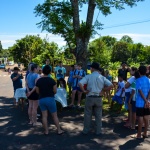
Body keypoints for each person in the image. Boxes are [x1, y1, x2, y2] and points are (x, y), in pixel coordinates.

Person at [78, 62, 113, 135]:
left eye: (91, 68)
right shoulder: (102, 77)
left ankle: (86, 130)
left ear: (93, 68)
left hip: (90, 97)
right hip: (98, 98)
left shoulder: (88, 76)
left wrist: (84, 91)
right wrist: (103, 90)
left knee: (87, 115)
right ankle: (98, 131)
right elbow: (111, 85)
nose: (90, 69)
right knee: (98, 115)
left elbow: (80, 83)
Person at [36, 65, 64, 135]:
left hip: (42, 99)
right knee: (54, 115)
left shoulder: (39, 81)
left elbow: (37, 91)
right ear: (50, 72)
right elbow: (55, 91)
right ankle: (59, 130)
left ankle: (46, 131)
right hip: (50, 99)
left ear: (42, 71)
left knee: (44, 116)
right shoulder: (52, 81)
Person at [131, 66, 150, 139]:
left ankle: (139, 134)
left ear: (139, 72)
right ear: (146, 71)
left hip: (140, 102)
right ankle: (145, 133)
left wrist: (145, 100)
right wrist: (147, 100)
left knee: (140, 118)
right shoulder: (149, 80)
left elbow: (140, 91)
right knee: (147, 118)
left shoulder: (138, 80)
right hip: (147, 102)